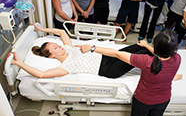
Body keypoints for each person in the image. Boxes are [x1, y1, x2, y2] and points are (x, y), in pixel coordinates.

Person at [9, 24, 156, 79]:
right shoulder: (65, 67)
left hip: (107, 56)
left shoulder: (68, 47)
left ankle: (160, 57)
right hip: (109, 69)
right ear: (52, 56)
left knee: (141, 46)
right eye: (55, 48)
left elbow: (61, 32)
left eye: (57, 45)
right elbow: (41, 75)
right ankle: (162, 68)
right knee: (143, 55)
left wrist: (41, 29)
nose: (59, 46)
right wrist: (19, 63)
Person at [113, 29, 181, 116]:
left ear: (156, 45)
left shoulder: (146, 61)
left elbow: (117, 54)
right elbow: (162, 55)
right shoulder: (177, 58)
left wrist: (92, 48)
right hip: (164, 99)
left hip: (143, 100)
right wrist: (146, 45)